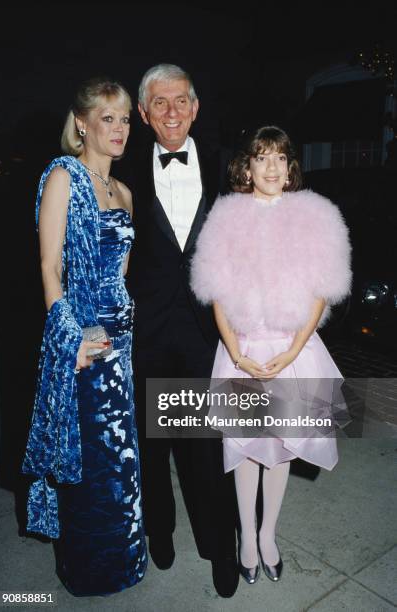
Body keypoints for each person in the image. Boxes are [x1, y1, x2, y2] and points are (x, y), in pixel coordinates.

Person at [190, 126, 351, 585]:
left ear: (290, 166)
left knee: (280, 449)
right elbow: (215, 290)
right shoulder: (227, 217)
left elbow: (322, 289)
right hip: (243, 349)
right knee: (245, 447)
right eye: (262, 157)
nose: (273, 166)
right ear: (247, 167)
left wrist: (294, 350)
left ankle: (268, 536)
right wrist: (237, 354)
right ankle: (245, 539)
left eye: (281, 157)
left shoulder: (316, 215)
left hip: (291, 349)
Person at [22, 77, 147, 596]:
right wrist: (71, 339)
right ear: (82, 124)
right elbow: (50, 267)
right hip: (83, 339)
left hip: (122, 338)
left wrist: (125, 321)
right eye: (107, 118)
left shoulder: (125, 191)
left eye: (124, 120)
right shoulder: (62, 178)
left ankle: (124, 562)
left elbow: (122, 272)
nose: (118, 129)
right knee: (91, 462)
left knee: (122, 458)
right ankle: (91, 570)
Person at [126, 64, 239, 598]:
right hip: (144, 331)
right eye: (160, 103)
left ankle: (221, 547)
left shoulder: (223, 165)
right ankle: (160, 532)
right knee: (151, 445)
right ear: (144, 114)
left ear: (195, 108)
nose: (171, 111)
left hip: (206, 330)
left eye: (181, 101)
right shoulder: (120, 170)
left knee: (207, 448)